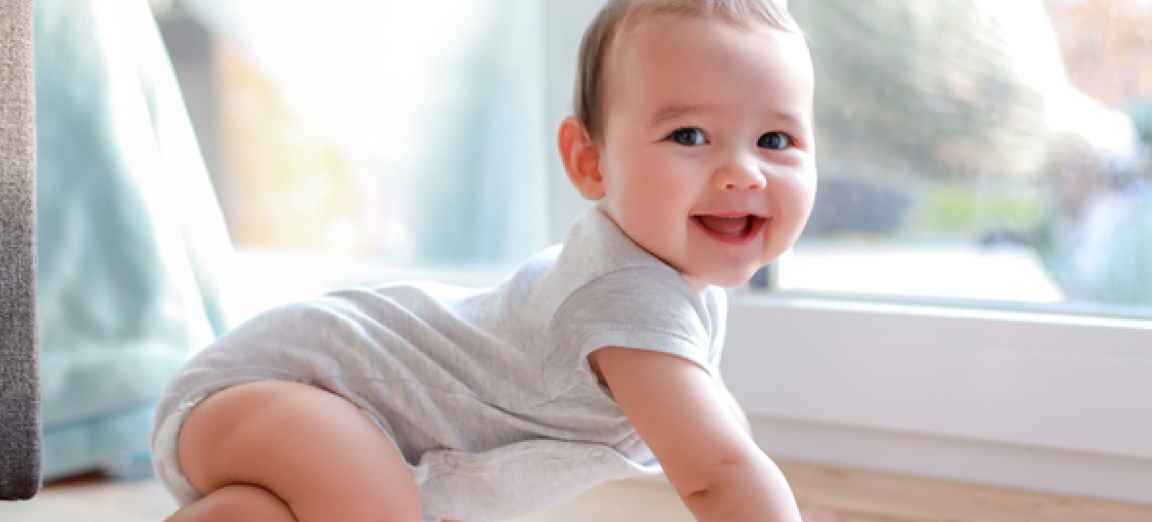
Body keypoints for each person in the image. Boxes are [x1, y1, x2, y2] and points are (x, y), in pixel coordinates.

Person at [151, 0, 819, 520]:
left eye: (775, 138)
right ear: (590, 161)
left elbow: (723, 430)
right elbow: (717, 472)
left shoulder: (671, 286)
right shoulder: (622, 295)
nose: (743, 173)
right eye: (690, 135)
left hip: (284, 413)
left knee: (337, 507)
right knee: (376, 506)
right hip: (267, 387)